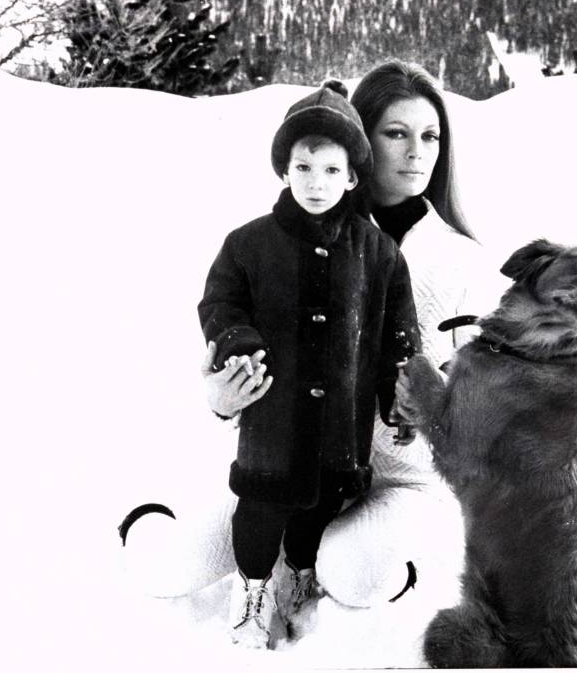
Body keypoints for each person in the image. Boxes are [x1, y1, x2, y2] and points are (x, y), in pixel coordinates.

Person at [204, 61, 502, 621]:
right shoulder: (293, 235)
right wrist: (222, 400)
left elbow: (487, 414)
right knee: (185, 562)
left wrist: (432, 399)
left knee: (348, 571)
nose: (418, 152)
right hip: (288, 457)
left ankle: (412, 577)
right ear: (360, 140)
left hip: (401, 481)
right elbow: (229, 333)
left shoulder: (463, 261)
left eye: (431, 136)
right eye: (397, 133)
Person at [198, 79, 421, 648]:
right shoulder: (248, 244)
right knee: (259, 510)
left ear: (351, 177)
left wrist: (401, 396)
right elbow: (220, 300)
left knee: (316, 509)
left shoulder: (379, 254)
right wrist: (234, 339)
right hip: (272, 418)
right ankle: (251, 590)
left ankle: (298, 574)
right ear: (284, 171)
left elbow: (399, 333)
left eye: (330, 170)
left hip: (338, 425)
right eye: (303, 168)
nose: (315, 183)